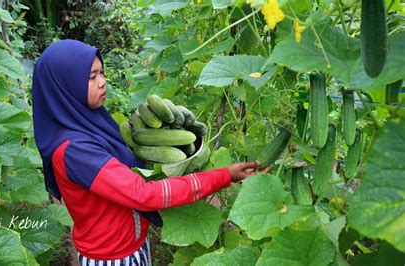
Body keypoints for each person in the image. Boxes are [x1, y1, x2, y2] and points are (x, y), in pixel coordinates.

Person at [31, 40, 269, 266]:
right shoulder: (75, 151)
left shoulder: (88, 122)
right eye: (92, 77)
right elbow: (143, 194)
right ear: (65, 86)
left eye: (101, 73)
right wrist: (224, 175)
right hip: (112, 257)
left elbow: (126, 167)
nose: (102, 82)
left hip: (130, 244)